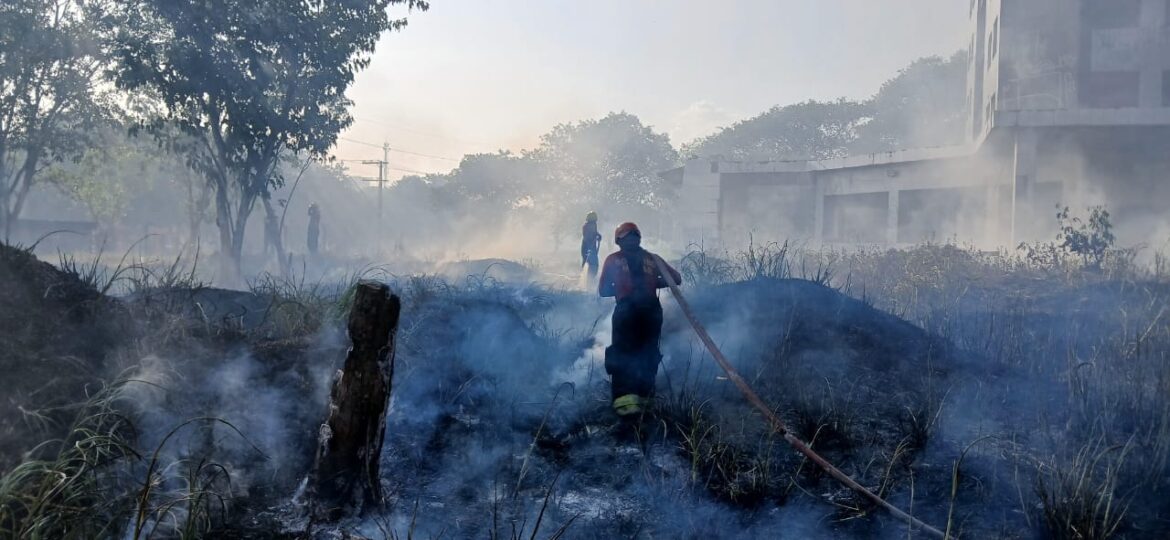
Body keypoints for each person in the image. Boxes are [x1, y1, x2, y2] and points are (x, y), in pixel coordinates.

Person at [598, 222, 682, 417]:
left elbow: (603, 291)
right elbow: (676, 279)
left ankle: (624, 404)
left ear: (618, 240)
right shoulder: (653, 259)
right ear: (638, 238)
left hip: (626, 312)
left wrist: (621, 289)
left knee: (622, 353)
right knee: (647, 352)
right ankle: (645, 401)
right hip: (651, 311)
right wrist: (653, 283)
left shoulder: (613, 259)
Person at [581, 211, 602, 277]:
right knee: (589, 262)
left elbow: (595, 233)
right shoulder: (587, 226)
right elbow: (587, 237)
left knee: (593, 263)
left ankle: (591, 277)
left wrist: (598, 235)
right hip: (587, 247)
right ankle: (586, 277)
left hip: (592, 247)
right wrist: (593, 240)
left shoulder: (593, 224)